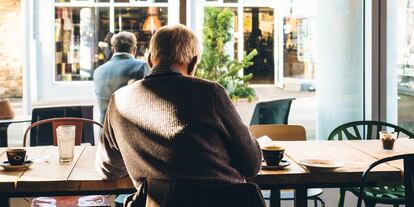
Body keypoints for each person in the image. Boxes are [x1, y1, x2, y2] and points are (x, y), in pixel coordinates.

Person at [95, 24, 262, 205]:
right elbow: (252, 164)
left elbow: (108, 170)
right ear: (193, 62)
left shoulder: (119, 101)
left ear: (150, 60)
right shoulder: (210, 93)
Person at [93, 31, 149, 123]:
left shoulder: (98, 71)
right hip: (129, 132)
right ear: (134, 50)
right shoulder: (141, 67)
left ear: (113, 50)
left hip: (104, 131)